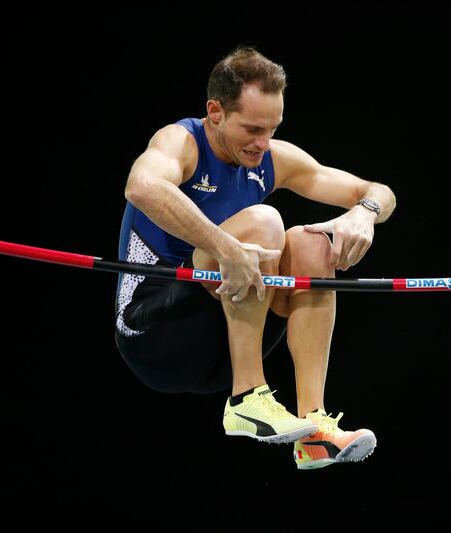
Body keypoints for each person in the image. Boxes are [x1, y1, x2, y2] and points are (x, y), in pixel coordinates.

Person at [114, 46, 396, 470]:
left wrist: (364, 215)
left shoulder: (271, 158)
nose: (263, 144)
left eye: (273, 129)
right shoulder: (181, 142)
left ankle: (314, 429)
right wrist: (228, 248)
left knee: (313, 242)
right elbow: (141, 187)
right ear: (215, 112)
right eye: (252, 129)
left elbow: (377, 191)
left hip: (224, 333)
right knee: (265, 222)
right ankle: (247, 397)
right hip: (155, 329)